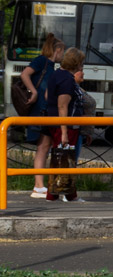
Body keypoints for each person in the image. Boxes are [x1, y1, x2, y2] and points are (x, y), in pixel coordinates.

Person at [41, 48, 86, 202]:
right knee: (66, 159)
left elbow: (47, 95)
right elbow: (63, 106)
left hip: (56, 123)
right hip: (66, 125)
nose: (82, 66)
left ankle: (55, 193)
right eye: (81, 62)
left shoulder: (57, 74)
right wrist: (64, 132)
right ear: (76, 63)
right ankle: (68, 194)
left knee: (59, 158)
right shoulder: (67, 80)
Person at [22, 34, 61, 198]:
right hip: (40, 109)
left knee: (45, 146)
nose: (63, 56)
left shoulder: (50, 65)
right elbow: (25, 74)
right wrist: (34, 91)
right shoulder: (42, 61)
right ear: (57, 50)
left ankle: (40, 185)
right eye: (62, 51)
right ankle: (38, 185)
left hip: (45, 110)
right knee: (43, 146)